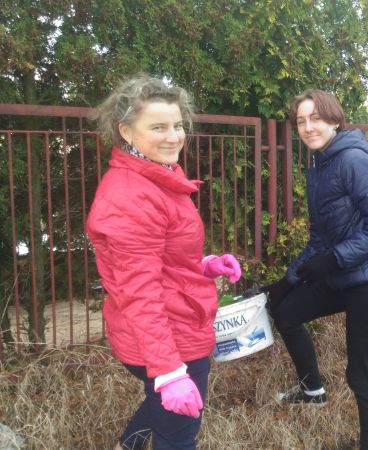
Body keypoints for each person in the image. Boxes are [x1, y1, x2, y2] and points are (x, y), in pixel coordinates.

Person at [86, 74, 242, 450]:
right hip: (169, 338)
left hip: (176, 325)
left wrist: (204, 265)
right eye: (158, 127)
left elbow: (161, 256)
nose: (173, 137)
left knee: (160, 411)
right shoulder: (131, 197)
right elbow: (139, 292)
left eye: (177, 125)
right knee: (177, 438)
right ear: (126, 132)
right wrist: (170, 371)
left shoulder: (158, 174)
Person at [263, 90, 368, 450]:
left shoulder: (353, 160)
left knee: (362, 376)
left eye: (316, 119)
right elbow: (319, 237)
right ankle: (313, 391)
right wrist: (289, 280)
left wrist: (334, 259)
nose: (308, 127)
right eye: (301, 121)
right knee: (285, 311)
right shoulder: (319, 166)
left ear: (335, 120)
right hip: (343, 275)